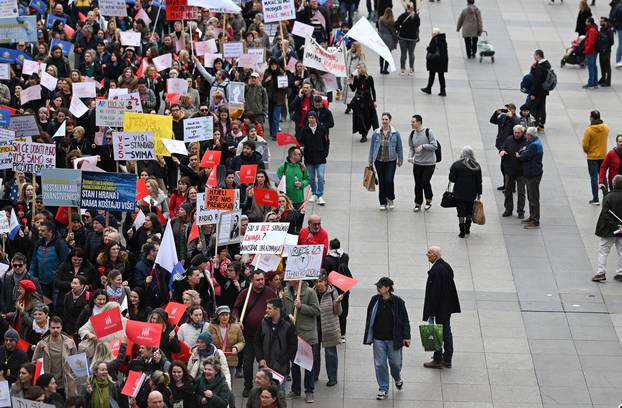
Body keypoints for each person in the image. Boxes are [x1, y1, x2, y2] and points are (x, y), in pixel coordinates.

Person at [363, 277, 411, 400]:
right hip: (378, 338)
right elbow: (369, 318)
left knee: (395, 363)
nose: (378, 288)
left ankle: (397, 378)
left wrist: (407, 336)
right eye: (377, 286)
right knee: (380, 364)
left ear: (388, 288)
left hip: (394, 339)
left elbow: (405, 319)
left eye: (380, 286)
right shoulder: (374, 300)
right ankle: (383, 388)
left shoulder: (398, 302)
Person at [232, 270, 277, 397]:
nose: (261, 282)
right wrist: (237, 320)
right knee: (247, 362)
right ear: (252, 280)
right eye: (257, 280)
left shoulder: (270, 292)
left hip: (266, 335)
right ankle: (248, 386)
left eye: (262, 279)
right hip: (249, 335)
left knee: (265, 362)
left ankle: (265, 387)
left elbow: (278, 307)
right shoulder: (245, 294)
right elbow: (236, 308)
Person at [422, 246, 461, 369]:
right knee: (446, 331)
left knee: (438, 332)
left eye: (429, 252)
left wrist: (431, 311)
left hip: (440, 308)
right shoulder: (445, 266)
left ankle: (438, 359)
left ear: (435, 255)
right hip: (446, 306)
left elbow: (435, 294)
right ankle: (447, 358)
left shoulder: (437, 270)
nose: (427, 254)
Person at [32, 316, 78, 397]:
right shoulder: (42, 344)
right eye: (53, 327)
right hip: (48, 385)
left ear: (61, 328)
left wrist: (72, 377)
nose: (56, 330)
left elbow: (76, 363)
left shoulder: (70, 343)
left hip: (65, 383)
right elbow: (35, 362)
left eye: (58, 327)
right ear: (49, 328)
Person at [255, 298, 297, 384]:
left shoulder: (288, 325)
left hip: (281, 368)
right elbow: (257, 341)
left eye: (269, 308)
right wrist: (260, 358)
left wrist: (281, 361)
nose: (266, 310)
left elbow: (292, 347)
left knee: (280, 394)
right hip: (265, 366)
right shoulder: (263, 322)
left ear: (277, 310)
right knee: (265, 394)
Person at [368, 112, 404, 210]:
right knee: (382, 181)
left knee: (389, 180)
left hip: (391, 161)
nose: (384, 121)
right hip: (379, 161)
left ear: (389, 120)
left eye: (386, 119)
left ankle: (390, 198)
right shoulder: (376, 133)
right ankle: (382, 202)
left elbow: (399, 146)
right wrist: (370, 160)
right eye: (383, 119)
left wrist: (400, 158)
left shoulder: (395, 133)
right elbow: (372, 147)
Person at [313, 272, 342, 387]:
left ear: (325, 281)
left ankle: (332, 378)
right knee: (314, 353)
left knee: (330, 354)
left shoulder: (332, 293)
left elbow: (338, 312)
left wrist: (338, 303)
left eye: (320, 281)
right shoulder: (312, 292)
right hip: (315, 327)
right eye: (316, 281)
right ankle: (314, 375)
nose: (318, 284)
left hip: (329, 327)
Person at [449, 146, 483, 238]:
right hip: (471, 193)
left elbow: (452, 179)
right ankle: (467, 228)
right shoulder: (476, 166)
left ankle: (462, 231)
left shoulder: (456, 165)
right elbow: (479, 181)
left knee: (460, 211)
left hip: (459, 193)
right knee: (469, 210)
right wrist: (479, 193)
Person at [593, 174, 622, 281]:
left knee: (604, 251)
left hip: (608, 230)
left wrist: (615, 226)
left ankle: (601, 272)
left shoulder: (609, 197)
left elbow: (606, 213)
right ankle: (620, 273)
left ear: (614, 184)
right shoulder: (609, 196)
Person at [408, 114, 438, 212]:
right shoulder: (412, 134)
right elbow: (411, 147)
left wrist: (423, 146)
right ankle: (418, 203)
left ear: (419, 122)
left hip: (429, 163)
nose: (411, 123)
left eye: (413, 122)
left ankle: (428, 200)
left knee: (425, 182)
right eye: (411, 122)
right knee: (418, 184)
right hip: (417, 163)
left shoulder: (428, 132)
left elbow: (434, 146)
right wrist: (410, 157)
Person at [299, 111, 330, 205]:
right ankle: (314, 193)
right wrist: (302, 147)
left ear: (316, 118)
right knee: (311, 178)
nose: (311, 119)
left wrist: (325, 154)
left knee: (320, 176)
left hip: (320, 157)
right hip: (309, 157)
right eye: (309, 117)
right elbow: (301, 141)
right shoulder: (304, 129)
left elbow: (326, 142)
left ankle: (320, 195)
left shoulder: (322, 128)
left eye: (313, 117)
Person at [518, 127, 544, 229]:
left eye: (527, 135)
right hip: (531, 173)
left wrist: (519, 155)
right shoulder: (534, 142)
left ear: (531, 135)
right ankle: (532, 217)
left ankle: (535, 221)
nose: (525, 136)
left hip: (533, 174)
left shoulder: (533, 145)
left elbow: (524, 156)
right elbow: (523, 151)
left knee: (534, 198)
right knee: (531, 197)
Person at [491, 104, 520, 191]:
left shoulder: (516, 119)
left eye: (510, 109)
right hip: (502, 145)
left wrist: (511, 118)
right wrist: (496, 113)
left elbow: (517, 128)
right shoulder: (503, 117)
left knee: (508, 167)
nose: (507, 110)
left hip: (511, 146)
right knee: (503, 167)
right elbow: (492, 121)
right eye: (507, 109)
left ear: (514, 110)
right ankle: (506, 185)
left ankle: (510, 186)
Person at [582, 110, 609, 205]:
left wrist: (588, 151)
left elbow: (585, 145)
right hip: (603, 156)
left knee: (594, 177)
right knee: (603, 176)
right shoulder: (605, 128)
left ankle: (595, 198)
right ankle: (606, 196)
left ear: (592, 118)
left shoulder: (589, 130)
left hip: (592, 157)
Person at [500, 125, 527, 219]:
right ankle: (508, 209)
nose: (516, 134)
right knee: (507, 191)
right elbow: (503, 147)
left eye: (518, 133)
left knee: (521, 192)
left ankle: (520, 211)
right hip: (509, 170)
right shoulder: (509, 139)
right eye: (515, 132)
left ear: (522, 132)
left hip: (521, 172)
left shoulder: (526, 141)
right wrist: (502, 151)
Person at [347, 63, 378, 142]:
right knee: (360, 117)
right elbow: (354, 89)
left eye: (359, 68)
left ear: (364, 69)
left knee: (368, 117)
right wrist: (349, 83)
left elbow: (373, 90)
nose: (358, 70)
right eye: (357, 69)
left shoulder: (369, 78)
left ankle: (367, 131)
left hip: (367, 100)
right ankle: (363, 134)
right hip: (359, 101)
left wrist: (374, 100)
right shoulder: (356, 78)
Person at [529, 50, 552, 132]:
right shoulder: (547, 64)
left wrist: (533, 93)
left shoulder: (540, 66)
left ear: (538, 56)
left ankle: (536, 123)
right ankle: (541, 123)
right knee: (542, 106)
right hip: (544, 90)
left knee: (535, 107)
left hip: (539, 91)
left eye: (534, 55)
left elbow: (537, 81)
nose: (534, 57)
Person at [421, 28, 448, 96]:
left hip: (435, 61)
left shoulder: (434, 39)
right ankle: (443, 90)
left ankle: (428, 88)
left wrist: (428, 48)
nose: (432, 34)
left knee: (432, 75)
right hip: (442, 61)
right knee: (441, 76)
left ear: (435, 34)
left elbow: (432, 49)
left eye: (432, 33)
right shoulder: (443, 39)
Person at [395, 3, 420, 75]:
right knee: (411, 53)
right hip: (413, 38)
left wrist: (400, 29)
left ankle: (403, 69)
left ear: (406, 8)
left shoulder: (403, 15)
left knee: (403, 54)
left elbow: (396, 24)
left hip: (403, 37)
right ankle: (411, 69)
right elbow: (418, 25)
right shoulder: (416, 16)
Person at [377, 8, 397, 74]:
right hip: (389, 38)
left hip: (381, 37)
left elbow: (378, 28)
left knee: (381, 55)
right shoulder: (391, 21)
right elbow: (393, 32)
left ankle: (381, 69)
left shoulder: (380, 19)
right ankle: (385, 69)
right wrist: (395, 40)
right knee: (388, 55)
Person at [598, 16, 615, 87]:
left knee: (607, 66)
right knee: (602, 65)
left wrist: (606, 48)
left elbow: (611, 41)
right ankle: (603, 78)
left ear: (606, 22)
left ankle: (608, 81)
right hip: (601, 50)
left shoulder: (609, 30)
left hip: (606, 51)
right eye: (600, 21)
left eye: (602, 21)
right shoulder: (602, 29)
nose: (600, 22)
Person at [584, 17, 600, 88]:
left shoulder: (592, 31)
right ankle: (595, 82)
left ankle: (591, 83)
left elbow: (591, 43)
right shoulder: (593, 29)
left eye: (586, 21)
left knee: (591, 67)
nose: (585, 23)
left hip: (591, 51)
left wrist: (586, 50)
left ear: (590, 23)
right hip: (593, 51)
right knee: (593, 66)